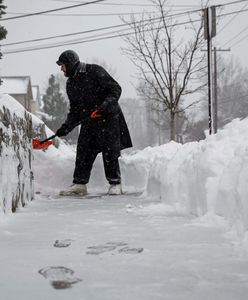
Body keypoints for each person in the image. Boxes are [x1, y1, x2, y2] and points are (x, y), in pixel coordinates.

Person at [55, 50, 132, 196]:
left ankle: (115, 183)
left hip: (108, 118)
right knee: (83, 149)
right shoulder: (71, 83)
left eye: (63, 65)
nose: (61, 68)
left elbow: (115, 89)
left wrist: (104, 107)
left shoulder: (94, 71)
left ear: (71, 64)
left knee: (109, 151)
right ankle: (79, 184)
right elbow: (76, 110)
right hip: (90, 120)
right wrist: (66, 127)